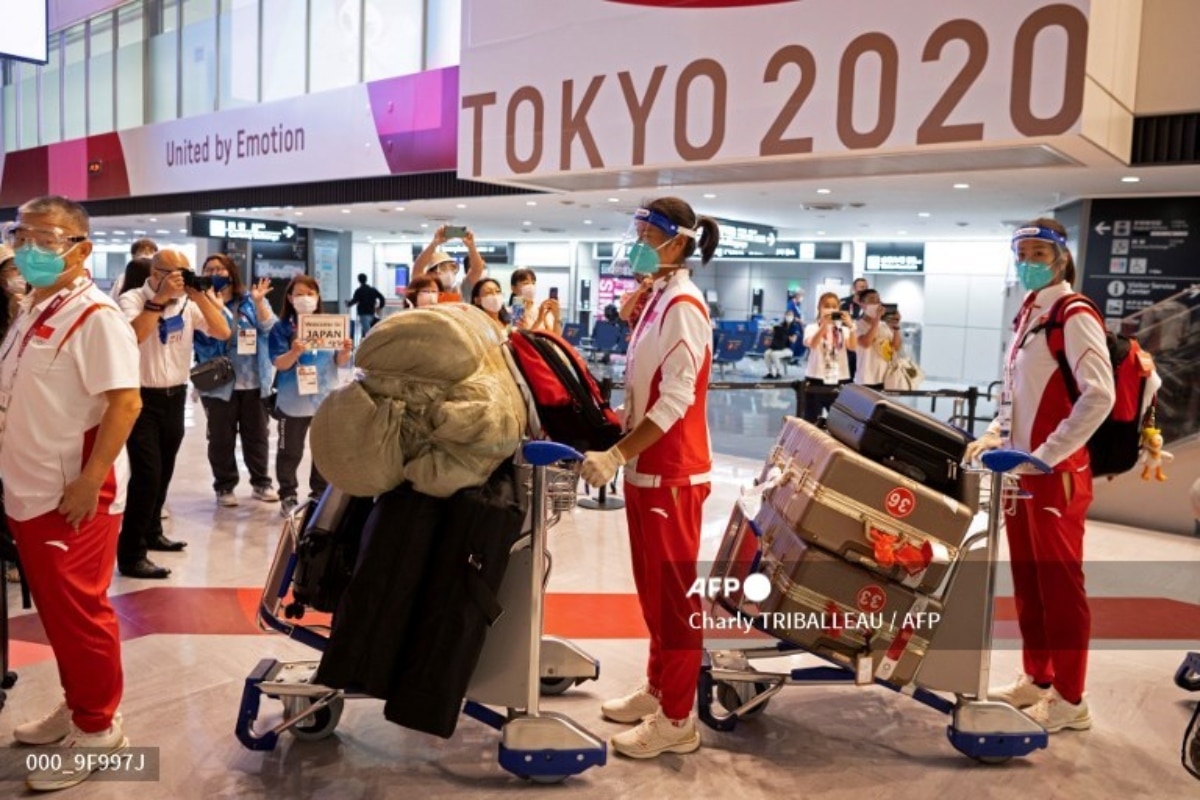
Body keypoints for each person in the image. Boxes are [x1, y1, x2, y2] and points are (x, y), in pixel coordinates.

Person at [0, 196, 142, 791]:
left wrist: (89, 481)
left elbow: (125, 402)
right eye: (22, 234)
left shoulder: (96, 316)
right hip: (27, 489)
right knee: (58, 616)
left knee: (82, 615)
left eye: (47, 238)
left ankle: (99, 729)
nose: (30, 248)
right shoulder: (36, 308)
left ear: (81, 247)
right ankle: (78, 704)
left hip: (72, 497)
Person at [580, 198, 720, 759]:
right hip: (646, 470)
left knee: (676, 601)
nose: (636, 243)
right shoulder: (660, 299)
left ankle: (679, 721)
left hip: (673, 473)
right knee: (652, 595)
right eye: (634, 232)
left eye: (645, 235)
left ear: (677, 243)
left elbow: (676, 400)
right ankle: (660, 689)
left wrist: (616, 455)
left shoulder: (684, 305)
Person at [964, 219, 1115, 734]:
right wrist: (994, 434)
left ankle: (1072, 699)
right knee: (1029, 583)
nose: (1028, 260)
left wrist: (1046, 455)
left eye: (1038, 251)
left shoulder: (1073, 314)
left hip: (1055, 475)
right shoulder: (1029, 312)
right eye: (1021, 251)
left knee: (1060, 586)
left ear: (1061, 257)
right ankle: (1039, 678)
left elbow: (1100, 395)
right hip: (1021, 470)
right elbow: (1016, 390)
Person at [118, 249, 232, 579]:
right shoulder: (132, 299)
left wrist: (199, 295)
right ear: (156, 273)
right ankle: (130, 554)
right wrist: (160, 299)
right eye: (176, 273)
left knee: (164, 470)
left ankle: (152, 533)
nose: (182, 279)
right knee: (146, 475)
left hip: (175, 396)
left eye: (186, 272)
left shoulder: (189, 302)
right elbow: (133, 337)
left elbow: (223, 332)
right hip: (140, 398)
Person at [193, 254, 279, 507]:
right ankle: (224, 486)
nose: (214, 273)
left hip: (254, 381)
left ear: (231, 273)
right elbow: (206, 338)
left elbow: (268, 327)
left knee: (257, 437)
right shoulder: (199, 304)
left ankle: (261, 483)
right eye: (209, 270)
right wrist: (214, 306)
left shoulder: (249, 302)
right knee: (220, 438)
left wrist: (260, 301)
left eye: (220, 269)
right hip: (219, 383)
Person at [269, 275, 353, 518]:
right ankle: (288, 494)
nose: (305, 299)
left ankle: (319, 493)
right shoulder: (282, 328)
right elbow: (279, 363)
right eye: (299, 294)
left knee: (323, 451)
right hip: (292, 400)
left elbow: (339, 362)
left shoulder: (330, 325)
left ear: (318, 298)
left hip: (324, 400)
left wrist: (345, 352)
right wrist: (294, 352)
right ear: (289, 298)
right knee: (290, 451)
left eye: (310, 293)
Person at [802, 292, 857, 423]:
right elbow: (812, 344)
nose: (830, 309)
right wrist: (824, 326)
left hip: (839, 379)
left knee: (840, 422)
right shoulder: (812, 327)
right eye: (826, 305)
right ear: (819, 308)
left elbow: (853, 347)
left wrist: (851, 326)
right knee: (811, 421)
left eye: (834, 306)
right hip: (816, 379)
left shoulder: (843, 330)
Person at [413, 225, 487, 303]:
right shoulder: (426, 292)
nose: (449, 272)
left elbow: (477, 269)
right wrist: (434, 244)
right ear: (431, 272)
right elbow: (418, 268)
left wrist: (471, 247)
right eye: (443, 268)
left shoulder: (462, 290)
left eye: (452, 268)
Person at [853, 289, 902, 389]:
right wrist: (876, 320)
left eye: (878, 300)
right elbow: (865, 343)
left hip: (885, 377)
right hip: (866, 379)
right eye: (871, 300)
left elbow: (895, 347)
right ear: (862, 304)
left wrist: (896, 327)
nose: (876, 303)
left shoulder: (883, 325)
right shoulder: (856, 325)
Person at [509, 267, 562, 334]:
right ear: (513, 288)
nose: (531, 287)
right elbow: (518, 339)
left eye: (533, 283)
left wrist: (557, 317)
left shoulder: (541, 309)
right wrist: (539, 320)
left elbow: (555, 337)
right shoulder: (510, 312)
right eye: (526, 283)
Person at [764, 311, 802, 379]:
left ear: (793, 317)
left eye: (790, 315)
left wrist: (785, 334)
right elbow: (774, 332)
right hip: (778, 346)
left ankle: (778, 373)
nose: (789, 316)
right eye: (787, 315)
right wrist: (770, 330)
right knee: (767, 354)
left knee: (774, 354)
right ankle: (770, 373)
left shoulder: (795, 326)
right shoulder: (781, 325)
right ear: (784, 316)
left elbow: (793, 340)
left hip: (789, 349)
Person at [346, 273, 386, 338]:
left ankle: (370, 346)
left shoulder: (359, 291)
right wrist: (380, 307)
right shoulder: (372, 290)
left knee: (368, 334)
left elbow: (354, 300)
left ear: (359, 280)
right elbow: (382, 298)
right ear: (366, 279)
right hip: (372, 314)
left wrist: (348, 304)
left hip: (363, 314)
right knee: (366, 332)